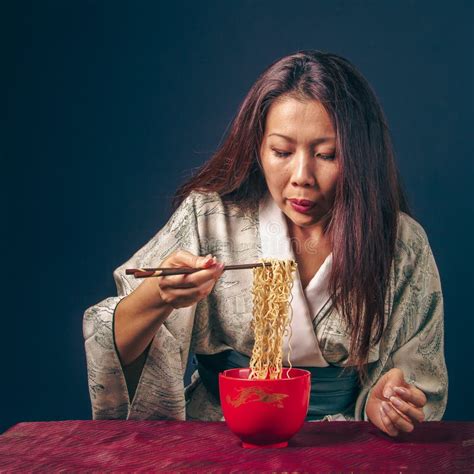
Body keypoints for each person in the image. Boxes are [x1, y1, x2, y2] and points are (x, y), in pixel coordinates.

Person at [83, 50, 447, 437]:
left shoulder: (400, 243)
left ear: (361, 156)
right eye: (282, 152)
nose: (301, 176)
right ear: (257, 148)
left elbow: (415, 378)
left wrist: (384, 400)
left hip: (344, 438)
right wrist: (159, 294)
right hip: (220, 435)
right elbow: (114, 341)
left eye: (327, 154)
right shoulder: (210, 217)